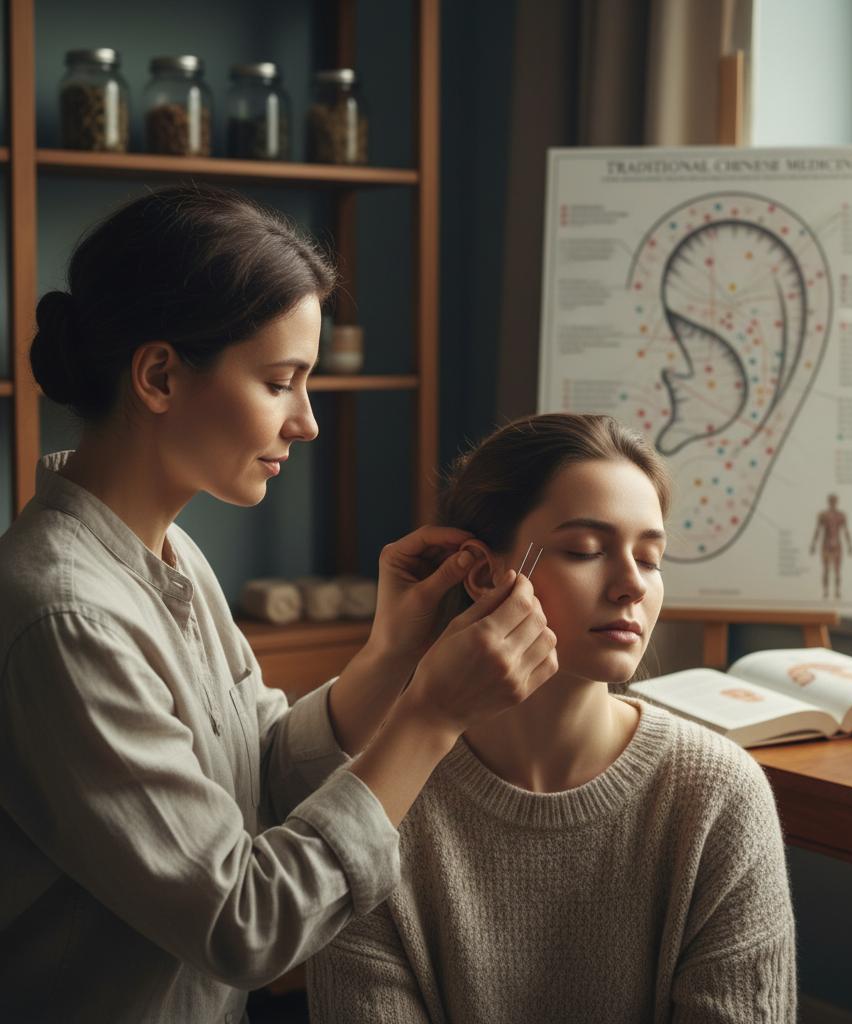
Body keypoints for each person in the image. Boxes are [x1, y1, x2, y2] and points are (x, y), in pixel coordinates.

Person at [0, 184, 557, 1023]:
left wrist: (391, 661)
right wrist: (431, 715)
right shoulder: (65, 617)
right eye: (279, 382)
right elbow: (243, 923)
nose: (306, 423)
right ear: (158, 376)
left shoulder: (167, 551)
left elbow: (256, 774)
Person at [308, 413, 797, 1024]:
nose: (630, 586)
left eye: (650, 559)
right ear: (484, 573)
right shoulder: (379, 800)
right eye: (585, 551)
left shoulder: (720, 796)